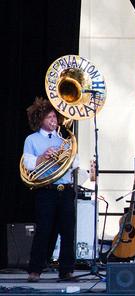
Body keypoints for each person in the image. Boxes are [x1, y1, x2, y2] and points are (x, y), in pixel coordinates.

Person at [22, 97, 80, 282]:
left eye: (55, 117)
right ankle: (35, 270)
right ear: (40, 119)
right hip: (46, 190)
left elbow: (75, 164)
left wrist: (69, 160)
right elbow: (28, 164)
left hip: (65, 190)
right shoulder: (31, 139)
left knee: (68, 231)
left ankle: (67, 270)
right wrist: (43, 157)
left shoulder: (64, 141)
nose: (54, 120)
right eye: (49, 117)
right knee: (43, 230)